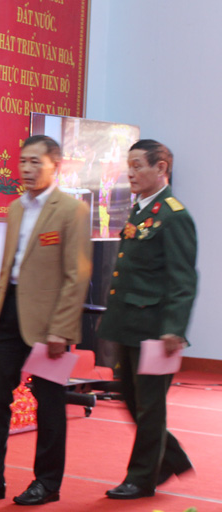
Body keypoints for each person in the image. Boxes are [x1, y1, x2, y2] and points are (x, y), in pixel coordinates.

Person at [0, 135, 92, 505]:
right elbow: (7, 270)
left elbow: (77, 275)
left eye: (35, 162)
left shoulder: (71, 210)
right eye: (23, 161)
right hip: (11, 315)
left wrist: (61, 329)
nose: (27, 169)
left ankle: (47, 483)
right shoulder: (15, 208)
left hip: (49, 324)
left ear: (55, 165)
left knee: (50, 403)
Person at [99, 139, 197, 500]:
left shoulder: (173, 215)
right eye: (129, 165)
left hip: (155, 330)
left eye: (138, 165)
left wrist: (174, 328)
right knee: (129, 397)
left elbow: (183, 278)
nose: (130, 173)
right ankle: (170, 457)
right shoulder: (140, 211)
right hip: (128, 325)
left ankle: (141, 479)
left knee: (150, 405)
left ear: (161, 168)